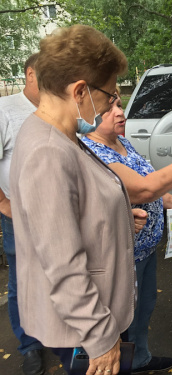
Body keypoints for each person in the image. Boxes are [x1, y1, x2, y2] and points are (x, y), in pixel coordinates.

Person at [9, 24, 146, 375]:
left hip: (88, 319)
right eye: (110, 94)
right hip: (85, 328)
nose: (113, 104)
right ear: (81, 91)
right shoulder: (48, 150)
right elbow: (62, 264)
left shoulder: (58, 132)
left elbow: (70, 211)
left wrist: (115, 220)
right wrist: (101, 339)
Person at [82, 93, 172, 372]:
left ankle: (139, 359)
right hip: (121, 256)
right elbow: (143, 189)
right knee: (120, 319)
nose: (119, 113)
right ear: (90, 117)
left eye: (120, 106)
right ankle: (118, 365)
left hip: (146, 250)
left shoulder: (123, 143)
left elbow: (153, 190)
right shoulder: (93, 152)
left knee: (144, 307)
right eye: (108, 109)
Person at [0, 54, 45, 375]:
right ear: (31, 74)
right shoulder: (5, 111)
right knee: (22, 282)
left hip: (56, 215)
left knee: (59, 274)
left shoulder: (54, 110)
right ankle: (29, 346)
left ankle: (58, 333)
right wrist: (4, 203)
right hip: (18, 217)